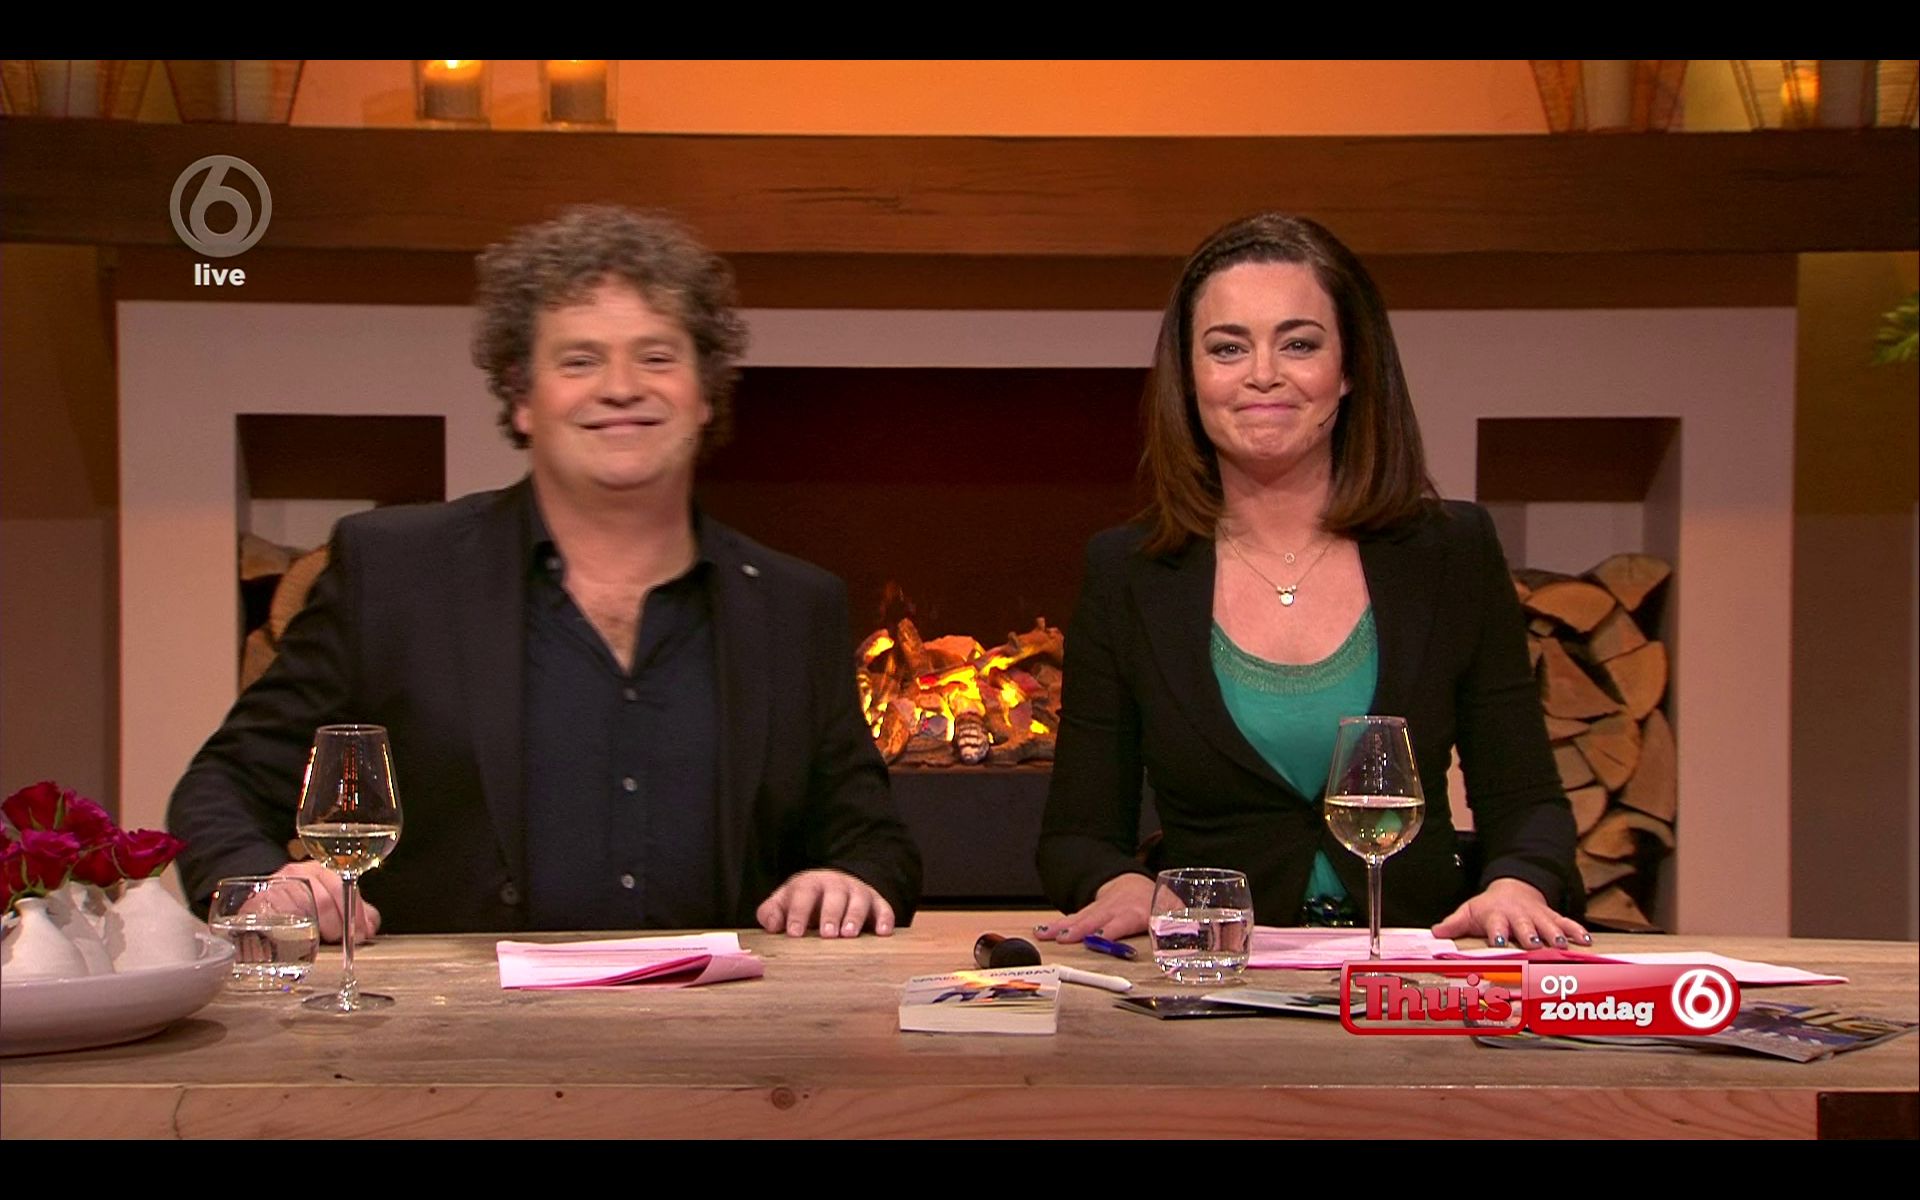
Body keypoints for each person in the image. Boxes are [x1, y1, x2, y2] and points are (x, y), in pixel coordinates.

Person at [169, 206, 920, 942]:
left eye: (657, 357)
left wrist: (848, 878)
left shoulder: (795, 604)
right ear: (523, 398)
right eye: (580, 360)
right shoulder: (394, 572)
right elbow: (222, 786)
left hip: (722, 1017)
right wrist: (271, 889)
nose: (621, 386)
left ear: (703, 394)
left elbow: (872, 842)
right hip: (452, 1022)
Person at [1034, 212, 1586, 952]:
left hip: (1411, 967)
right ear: (1189, 378)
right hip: (1214, 972)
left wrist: (1518, 882)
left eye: (1299, 344)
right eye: (1228, 348)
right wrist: (1121, 882)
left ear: (1349, 369)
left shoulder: (1451, 551)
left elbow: (1526, 800)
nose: (1263, 373)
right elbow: (1077, 834)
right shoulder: (1128, 571)